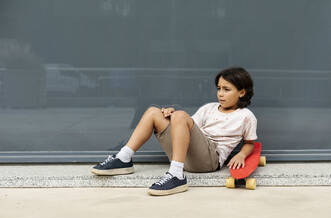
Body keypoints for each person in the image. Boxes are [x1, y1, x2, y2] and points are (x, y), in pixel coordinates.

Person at [90, 67, 258, 196]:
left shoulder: (246, 116)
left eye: (226, 89)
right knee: (153, 112)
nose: (220, 94)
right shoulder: (210, 108)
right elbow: (189, 126)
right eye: (219, 88)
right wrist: (171, 116)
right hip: (187, 156)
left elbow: (250, 143)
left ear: (242, 92)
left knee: (180, 115)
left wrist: (242, 154)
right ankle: (123, 158)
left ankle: (176, 176)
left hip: (209, 160)